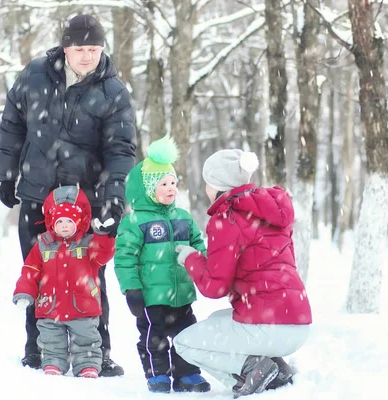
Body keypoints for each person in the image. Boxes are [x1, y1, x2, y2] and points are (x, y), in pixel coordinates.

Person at [0, 13, 136, 376]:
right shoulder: (35, 74)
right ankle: (39, 349)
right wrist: (6, 176)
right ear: (65, 47)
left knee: (91, 275)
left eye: (94, 48)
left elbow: (120, 148)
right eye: (79, 48)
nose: (87, 56)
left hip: (84, 202)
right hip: (36, 193)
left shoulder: (113, 91)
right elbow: (12, 123)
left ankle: (97, 352)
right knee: (36, 270)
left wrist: (114, 197)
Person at [172, 149, 313, 398]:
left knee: (183, 343)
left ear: (218, 185)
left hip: (267, 326)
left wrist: (190, 258)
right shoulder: (271, 211)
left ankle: (251, 371)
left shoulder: (226, 217)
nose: (206, 188)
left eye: (208, 182)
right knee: (217, 319)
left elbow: (215, 287)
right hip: (298, 323)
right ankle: (276, 369)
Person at [113, 136, 211, 393]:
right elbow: (125, 258)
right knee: (153, 337)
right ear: (147, 189)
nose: (171, 188)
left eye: (173, 183)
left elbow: (198, 244)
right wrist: (131, 289)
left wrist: (204, 266)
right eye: (163, 183)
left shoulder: (183, 217)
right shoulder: (135, 222)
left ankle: (187, 374)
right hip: (151, 296)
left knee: (186, 336)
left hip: (181, 293)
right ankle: (158, 375)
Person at [13, 186, 115, 378]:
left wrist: (105, 236)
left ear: (79, 221)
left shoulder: (89, 243)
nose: (65, 226)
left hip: (83, 305)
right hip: (50, 306)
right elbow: (30, 270)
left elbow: (104, 255)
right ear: (52, 222)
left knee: (86, 338)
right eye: (60, 221)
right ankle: (53, 361)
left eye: (70, 221)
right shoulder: (43, 245)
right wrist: (24, 292)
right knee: (51, 338)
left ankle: (87, 363)